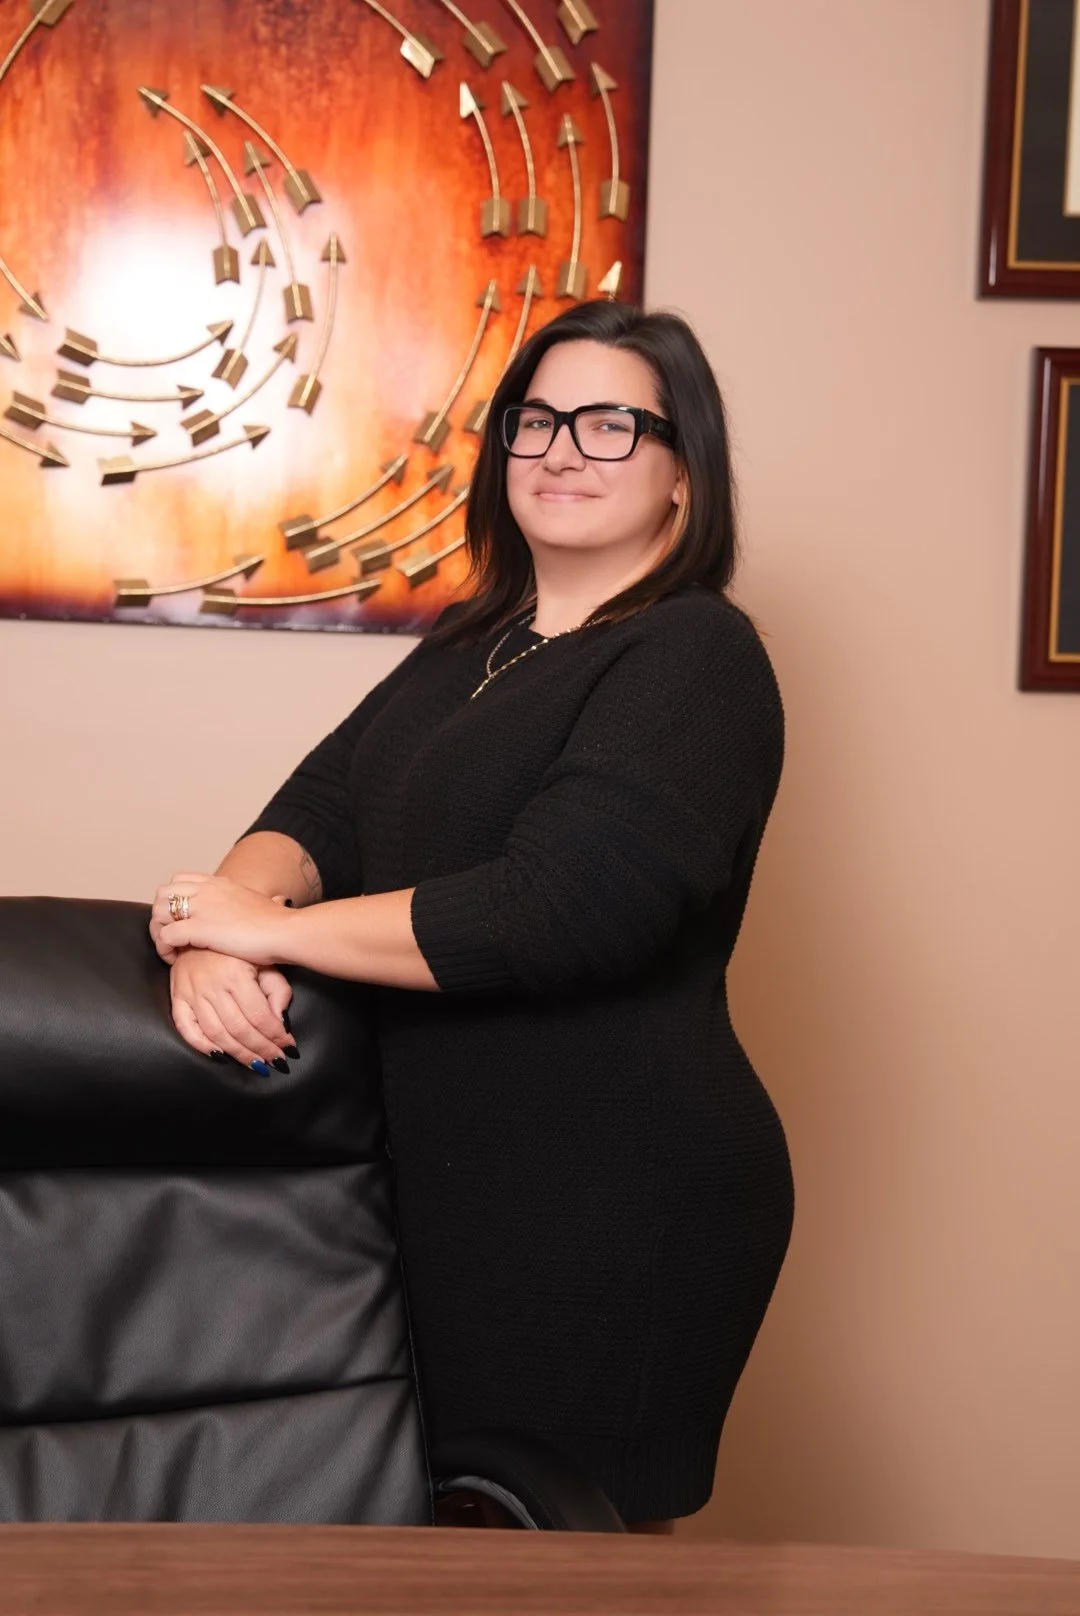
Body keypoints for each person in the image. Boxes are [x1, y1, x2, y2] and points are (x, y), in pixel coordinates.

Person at [150, 299, 794, 1533]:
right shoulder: (475, 641)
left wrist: (254, 930)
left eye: (611, 424)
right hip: (446, 1185)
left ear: (684, 472)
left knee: (556, 1559)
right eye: (534, 420)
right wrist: (218, 924)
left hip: (616, 1197)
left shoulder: (696, 654)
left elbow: (551, 911)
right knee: (443, 1556)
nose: (561, 449)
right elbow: (315, 812)